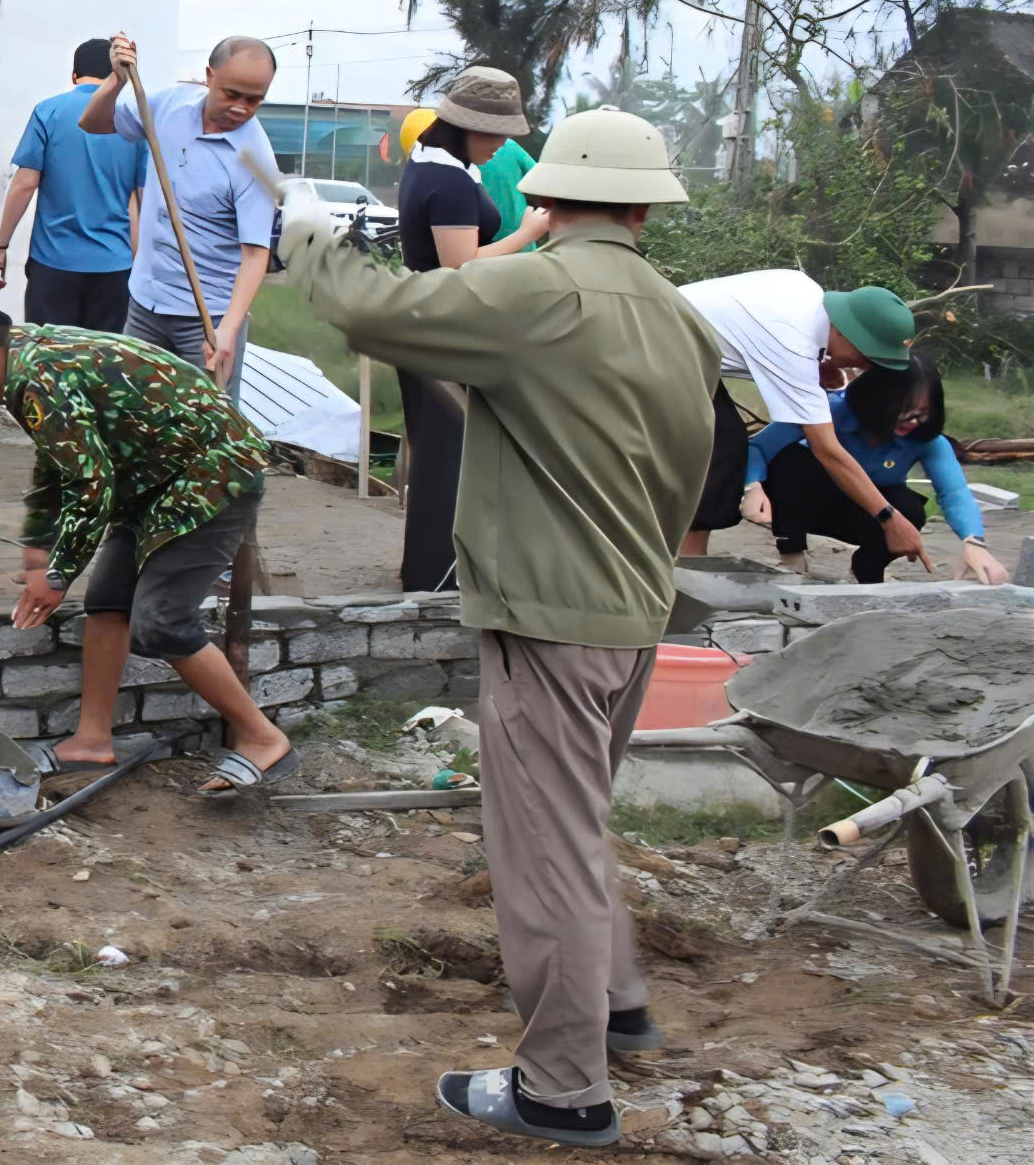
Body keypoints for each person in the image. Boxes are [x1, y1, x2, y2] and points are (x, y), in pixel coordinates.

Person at [274, 105, 719, 1149]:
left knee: (541, 854)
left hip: (548, 620)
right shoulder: (679, 316)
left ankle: (563, 1086)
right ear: (648, 209)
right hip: (626, 615)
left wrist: (300, 228)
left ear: (543, 195)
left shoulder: (538, 288)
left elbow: (376, 311)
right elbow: (682, 479)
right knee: (575, 826)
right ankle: (615, 1001)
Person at [0, 303, 297, 794]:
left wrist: (58, 574)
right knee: (108, 601)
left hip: (211, 477)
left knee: (162, 620)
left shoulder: (36, 375)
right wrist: (39, 552)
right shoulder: (35, 354)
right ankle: (91, 740)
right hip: (153, 481)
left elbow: (89, 483)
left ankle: (262, 737)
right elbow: (58, 461)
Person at [392, 68, 551, 591]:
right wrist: (527, 233)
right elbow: (460, 266)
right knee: (449, 456)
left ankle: (432, 572)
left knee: (440, 452)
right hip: (442, 327)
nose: (503, 144)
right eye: (495, 133)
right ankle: (438, 578)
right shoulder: (450, 181)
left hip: (423, 321)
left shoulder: (430, 159)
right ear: (463, 125)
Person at [79, 33, 281, 394]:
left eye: (254, 101)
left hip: (207, 320)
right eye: (231, 94)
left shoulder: (256, 159)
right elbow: (93, 122)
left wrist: (228, 331)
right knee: (134, 414)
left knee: (206, 431)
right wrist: (117, 80)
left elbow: (255, 255)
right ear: (209, 76)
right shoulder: (169, 106)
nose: (241, 108)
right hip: (145, 304)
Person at [676, 269, 922, 566]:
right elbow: (829, 452)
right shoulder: (796, 343)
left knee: (723, 439)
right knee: (720, 446)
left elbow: (745, 337)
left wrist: (817, 362)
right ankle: (686, 569)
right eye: (868, 357)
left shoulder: (804, 290)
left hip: (668, 338)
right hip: (657, 349)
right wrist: (890, 519)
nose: (866, 367)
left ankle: (684, 562)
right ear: (845, 332)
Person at [745, 349, 1006, 585]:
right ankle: (791, 557)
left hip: (867, 516)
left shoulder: (927, 440)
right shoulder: (829, 411)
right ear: (876, 399)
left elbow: (955, 493)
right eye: (903, 409)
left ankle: (867, 571)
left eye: (922, 411)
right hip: (805, 504)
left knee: (911, 509)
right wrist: (753, 484)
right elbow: (759, 447)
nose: (912, 419)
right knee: (792, 459)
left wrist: (974, 543)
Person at [0, 37, 146, 333]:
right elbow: (140, 202)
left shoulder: (49, 112)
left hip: (53, 265)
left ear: (74, 76)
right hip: (115, 267)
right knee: (104, 365)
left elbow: (24, 184)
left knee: (49, 362)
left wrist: (1, 247)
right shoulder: (134, 121)